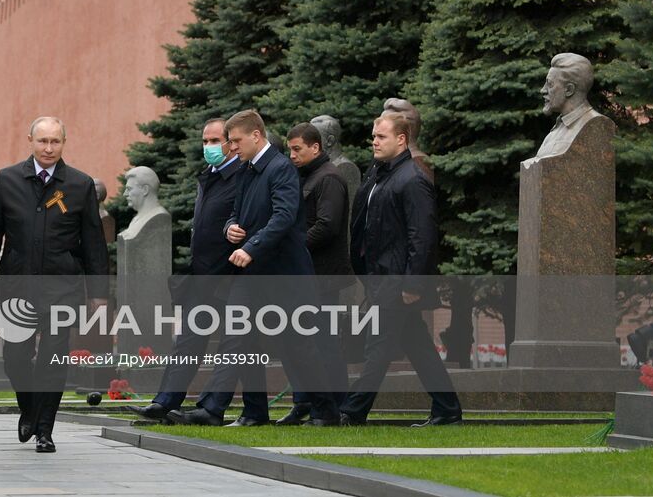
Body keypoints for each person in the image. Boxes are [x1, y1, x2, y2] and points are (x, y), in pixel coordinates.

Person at [195, 110, 340, 426]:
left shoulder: (281, 169)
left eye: (236, 141)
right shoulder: (248, 170)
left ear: (255, 136)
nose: (232, 148)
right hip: (254, 275)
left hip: (284, 274)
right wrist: (231, 228)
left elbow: (284, 217)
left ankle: (325, 410)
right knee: (236, 335)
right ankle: (214, 409)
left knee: (297, 345)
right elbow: (236, 212)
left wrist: (251, 247)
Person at [0, 117, 109, 454]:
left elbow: (94, 241)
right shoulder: (7, 179)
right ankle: (29, 408)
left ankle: (45, 429)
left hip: (61, 286)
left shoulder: (79, 184)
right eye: (42, 141)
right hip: (15, 284)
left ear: (64, 142)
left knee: (53, 357)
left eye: (55, 142)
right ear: (30, 142)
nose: (48, 148)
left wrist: (98, 292)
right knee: (15, 355)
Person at [129, 118, 267, 425]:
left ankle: (241, 410)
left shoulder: (242, 177)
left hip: (229, 276)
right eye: (205, 141)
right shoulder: (210, 175)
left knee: (241, 344)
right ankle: (164, 402)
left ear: (231, 143)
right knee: (190, 341)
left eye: (215, 141)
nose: (209, 147)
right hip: (203, 277)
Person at [339, 112, 462, 427]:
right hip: (380, 277)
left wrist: (412, 285)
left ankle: (352, 411)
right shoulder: (380, 175)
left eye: (380, 136)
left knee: (377, 345)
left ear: (401, 139)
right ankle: (447, 410)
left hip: (397, 280)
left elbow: (421, 236)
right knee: (418, 347)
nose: (374, 141)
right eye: (374, 136)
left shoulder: (412, 179)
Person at [275, 122, 351, 426]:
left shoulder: (329, 178)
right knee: (298, 344)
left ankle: (334, 406)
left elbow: (327, 226)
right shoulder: (305, 176)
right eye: (289, 149)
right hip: (304, 276)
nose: (291, 155)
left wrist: (291, 247)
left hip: (323, 277)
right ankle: (304, 402)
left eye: (297, 149)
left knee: (324, 345)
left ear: (315, 147)